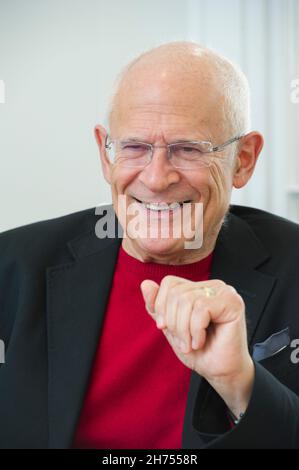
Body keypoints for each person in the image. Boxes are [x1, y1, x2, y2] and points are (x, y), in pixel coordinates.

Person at [0, 41, 299, 450]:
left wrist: (239, 383)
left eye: (189, 149)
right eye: (135, 147)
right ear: (106, 155)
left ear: (243, 159)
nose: (157, 179)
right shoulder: (11, 266)